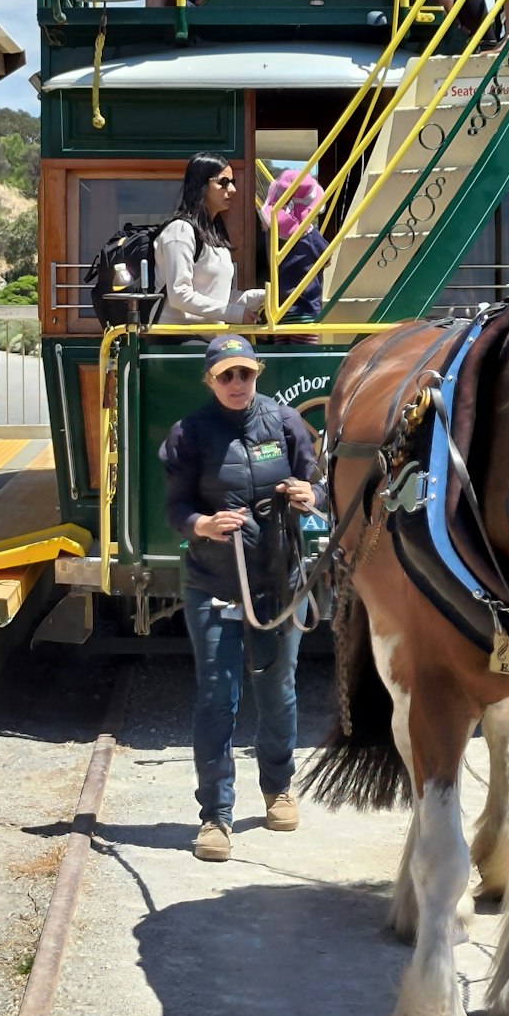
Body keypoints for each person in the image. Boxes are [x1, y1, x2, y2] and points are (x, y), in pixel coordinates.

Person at [159, 334, 326, 861]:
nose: (236, 384)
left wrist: (310, 495)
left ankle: (278, 789)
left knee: (278, 691)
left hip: (280, 581)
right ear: (210, 380)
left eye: (245, 374)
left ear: (258, 375)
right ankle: (215, 816)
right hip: (213, 584)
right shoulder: (189, 434)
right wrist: (202, 523)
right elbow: (175, 507)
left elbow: (319, 479)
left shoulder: (284, 422)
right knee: (217, 698)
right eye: (225, 375)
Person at [154, 151, 264, 329]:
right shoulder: (180, 231)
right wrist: (233, 313)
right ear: (201, 185)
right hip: (177, 341)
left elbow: (218, 298)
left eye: (232, 182)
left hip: (210, 338)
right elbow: (179, 295)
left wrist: (265, 296)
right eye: (223, 182)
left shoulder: (215, 234)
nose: (232, 189)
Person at [260, 170, 329, 328]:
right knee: (304, 352)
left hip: (279, 309)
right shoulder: (311, 237)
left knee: (283, 350)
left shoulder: (273, 234)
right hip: (306, 309)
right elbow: (326, 257)